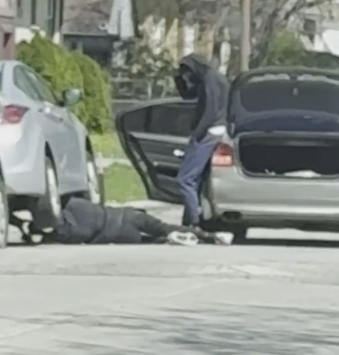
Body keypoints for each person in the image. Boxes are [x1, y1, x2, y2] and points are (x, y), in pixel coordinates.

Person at [173, 54, 230, 228]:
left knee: (185, 179)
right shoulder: (212, 78)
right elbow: (188, 95)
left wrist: (197, 134)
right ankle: (190, 220)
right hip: (217, 129)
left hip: (209, 130)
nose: (186, 76)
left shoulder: (210, 81)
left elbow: (209, 111)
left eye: (187, 72)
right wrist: (178, 79)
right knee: (197, 179)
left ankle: (193, 221)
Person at [24, 197, 229, 245]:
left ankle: (182, 239)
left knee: (154, 240)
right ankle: (210, 236)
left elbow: (42, 237)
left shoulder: (65, 233)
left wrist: (24, 228)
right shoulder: (71, 203)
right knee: (165, 228)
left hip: (116, 234)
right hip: (125, 215)